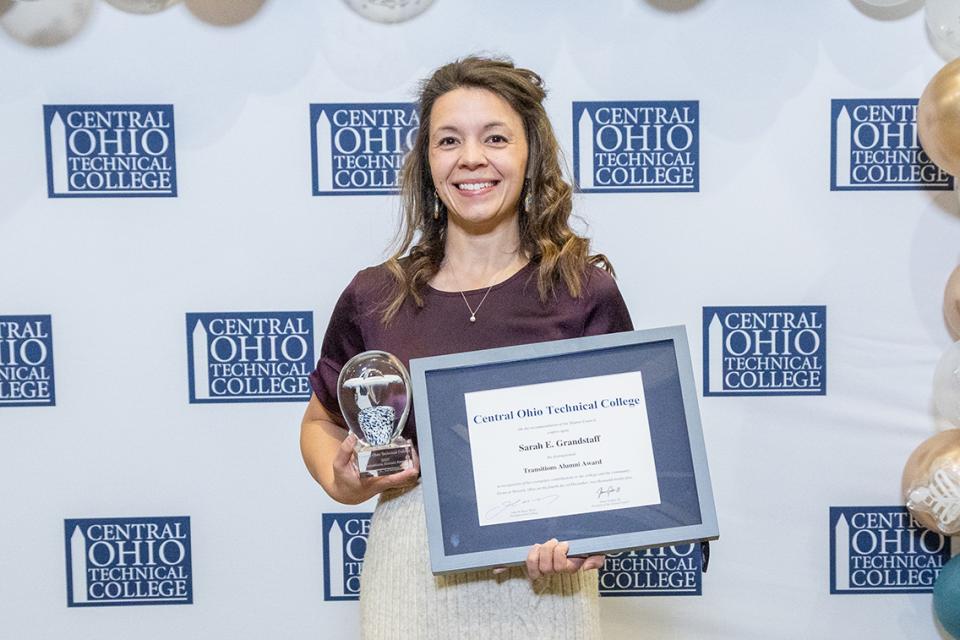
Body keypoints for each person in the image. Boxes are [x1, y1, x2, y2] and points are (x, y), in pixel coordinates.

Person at [300, 56, 633, 639]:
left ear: (530, 155)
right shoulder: (375, 295)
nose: (471, 158)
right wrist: (343, 481)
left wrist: (593, 534)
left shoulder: (584, 291)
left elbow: (624, 449)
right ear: (427, 163)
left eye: (495, 138)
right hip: (411, 582)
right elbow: (320, 421)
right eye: (448, 140)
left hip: (546, 582)